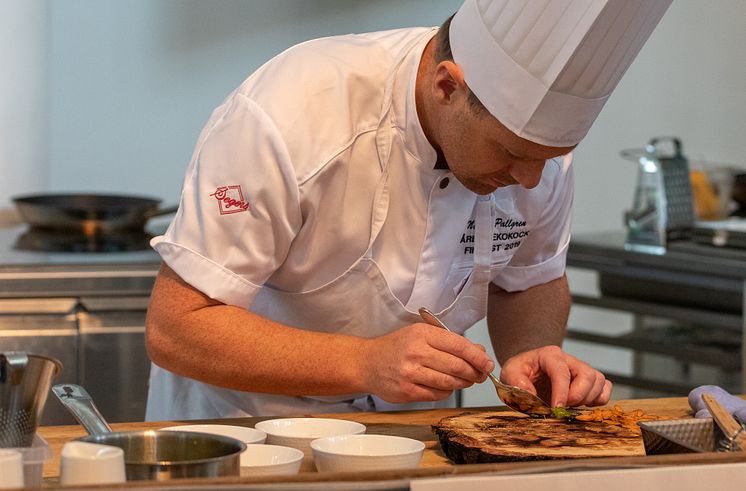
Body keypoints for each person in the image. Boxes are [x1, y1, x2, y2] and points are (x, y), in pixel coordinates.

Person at [144, 0, 672, 421]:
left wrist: (534, 356)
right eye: (511, 153)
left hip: (414, 437)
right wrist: (363, 362)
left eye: (548, 159)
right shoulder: (293, 113)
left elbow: (530, 278)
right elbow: (178, 328)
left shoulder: (535, 157)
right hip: (250, 433)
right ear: (447, 86)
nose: (529, 178)